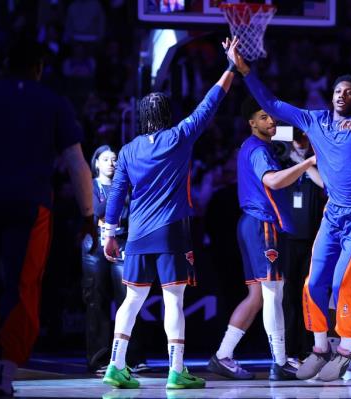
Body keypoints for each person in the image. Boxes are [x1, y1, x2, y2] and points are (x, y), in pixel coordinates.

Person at [224, 38, 351, 381]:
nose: (342, 95)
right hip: (334, 213)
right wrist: (245, 70)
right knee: (313, 283)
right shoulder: (314, 120)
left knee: (343, 284)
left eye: (349, 91)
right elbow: (273, 103)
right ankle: (321, 346)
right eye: (338, 90)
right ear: (331, 94)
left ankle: (348, 347)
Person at [0, 40, 96, 397]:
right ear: (39, 67)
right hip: (30, 205)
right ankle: (5, 378)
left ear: (5, 63)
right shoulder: (54, 102)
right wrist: (88, 216)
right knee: (23, 288)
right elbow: (76, 161)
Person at [100, 42, 235, 390]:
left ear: (143, 117)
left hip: (138, 235)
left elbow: (116, 195)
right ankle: (177, 371)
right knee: (174, 299)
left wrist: (110, 233)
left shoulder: (128, 150)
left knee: (132, 299)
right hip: (171, 233)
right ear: (167, 114)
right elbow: (209, 104)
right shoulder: (179, 136)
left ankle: (116, 364)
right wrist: (231, 68)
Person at [207, 98, 317, 381]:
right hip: (262, 224)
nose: (272, 121)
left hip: (253, 224)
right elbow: (272, 181)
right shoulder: (257, 149)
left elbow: (294, 132)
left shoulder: (258, 144)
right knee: (273, 293)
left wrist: (296, 140)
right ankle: (281, 361)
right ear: (251, 123)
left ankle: (222, 355)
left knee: (257, 296)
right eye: (264, 117)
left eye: (273, 118)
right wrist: (307, 163)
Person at [82, 145, 148, 374]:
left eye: (115, 159)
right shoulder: (90, 186)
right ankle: (98, 359)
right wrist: (117, 200)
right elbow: (98, 208)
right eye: (106, 159)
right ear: (96, 163)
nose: (112, 163)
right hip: (94, 249)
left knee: (129, 299)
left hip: (121, 244)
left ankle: (134, 357)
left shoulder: (127, 187)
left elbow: (130, 215)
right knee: (96, 302)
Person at [282, 130, 324, 365]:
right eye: (296, 138)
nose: (300, 142)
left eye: (304, 137)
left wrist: (304, 163)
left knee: (308, 293)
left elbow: (324, 183)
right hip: (287, 238)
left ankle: (309, 347)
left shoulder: (317, 162)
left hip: (312, 238)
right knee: (288, 296)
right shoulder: (280, 161)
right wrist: (295, 161)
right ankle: (288, 350)